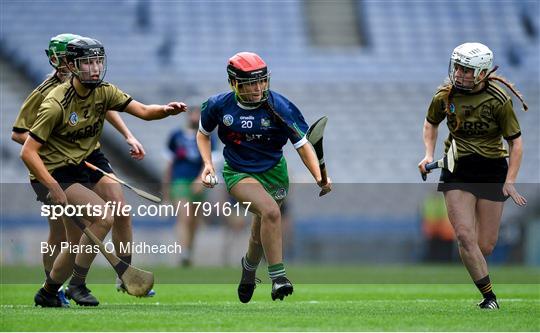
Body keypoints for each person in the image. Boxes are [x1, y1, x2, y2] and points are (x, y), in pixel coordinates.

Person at [20, 37, 187, 307]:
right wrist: (51, 186)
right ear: (73, 66)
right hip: (54, 171)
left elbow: (143, 111)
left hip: (84, 162)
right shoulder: (55, 103)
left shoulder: (103, 91)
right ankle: (76, 284)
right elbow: (27, 150)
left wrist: (165, 111)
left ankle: (49, 292)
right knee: (101, 219)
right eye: (87, 63)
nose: (95, 68)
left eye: (98, 61)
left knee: (104, 221)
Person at [197, 52, 331, 302]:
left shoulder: (279, 106)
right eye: (251, 82)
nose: (258, 88)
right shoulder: (219, 105)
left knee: (259, 231)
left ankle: (248, 270)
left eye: (262, 81)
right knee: (270, 212)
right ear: (234, 82)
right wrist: (207, 165)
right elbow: (203, 134)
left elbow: (302, 146)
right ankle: (278, 277)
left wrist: (319, 176)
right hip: (239, 173)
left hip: (275, 175)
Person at [418, 42, 528, 310]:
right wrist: (428, 154)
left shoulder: (499, 100)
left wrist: (509, 180)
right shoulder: (445, 95)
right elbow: (431, 123)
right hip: (458, 170)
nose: (459, 73)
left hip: (492, 170)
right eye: (457, 67)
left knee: (484, 246)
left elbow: (516, 142)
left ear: (481, 72)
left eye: (466, 69)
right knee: (465, 237)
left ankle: (481, 277)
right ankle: (489, 297)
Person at [163, 106, 213, 267]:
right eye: (194, 113)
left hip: (199, 182)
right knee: (184, 217)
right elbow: (169, 164)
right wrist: (165, 191)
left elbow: (212, 162)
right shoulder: (176, 136)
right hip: (180, 182)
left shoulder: (207, 137)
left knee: (194, 221)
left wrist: (200, 179)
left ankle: (189, 252)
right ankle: (184, 251)